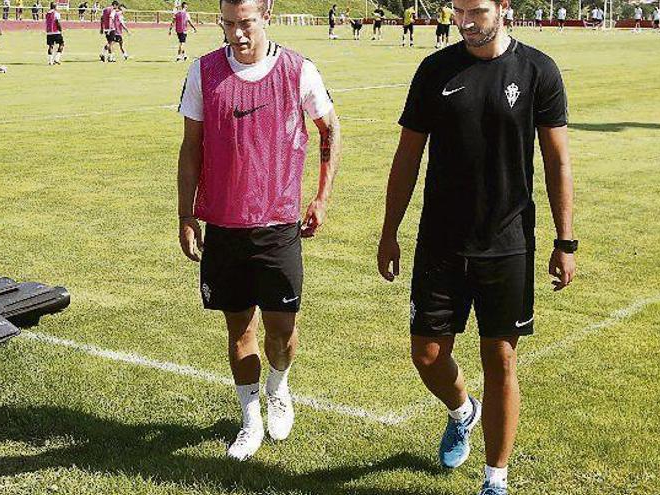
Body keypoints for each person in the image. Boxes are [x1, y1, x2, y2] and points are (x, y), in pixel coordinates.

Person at [378, 0, 575, 493]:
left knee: (500, 359)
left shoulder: (537, 71)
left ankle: (495, 479)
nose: (466, 21)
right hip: (441, 240)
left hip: (507, 242)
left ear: (503, 8)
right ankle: (463, 411)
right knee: (426, 353)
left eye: (478, 11)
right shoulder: (434, 70)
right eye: (458, 10)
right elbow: (408, 156)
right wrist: (389, 230)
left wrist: (564, 240)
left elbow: (557, 163)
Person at [177, 0, 340, 463]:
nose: (236, 35)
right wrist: (186, 215)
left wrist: (321, 198)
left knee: (281, 332)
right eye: (228, 24)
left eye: (245, 23)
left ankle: (279, 387)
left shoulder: (299, 71)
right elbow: (191, 149)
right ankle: (250, 420)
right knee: (238, 328)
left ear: (266, 14)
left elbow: (330, 130)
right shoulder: (202, 73)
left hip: (278, 226)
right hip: (224, 227)